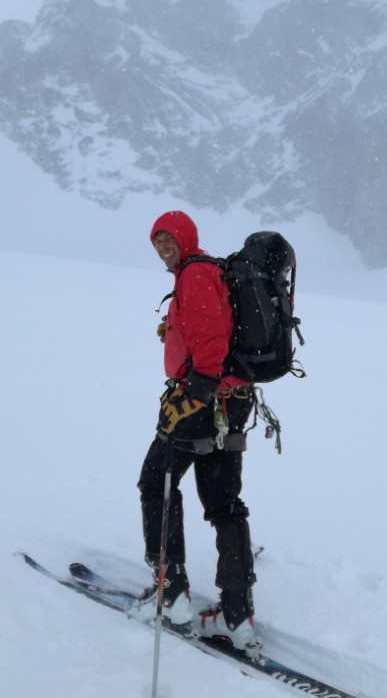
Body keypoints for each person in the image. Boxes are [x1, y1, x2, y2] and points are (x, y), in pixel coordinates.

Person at [137, 210, 258, 650]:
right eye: (158, 240)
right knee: (224, 503)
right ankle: (237, 611)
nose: (163, 245)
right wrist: (174, 332)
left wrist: (198, 387)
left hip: (203, 401)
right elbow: (212, 328)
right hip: (234, 401)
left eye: (170, 237)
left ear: (187, 238)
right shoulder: (210, 272)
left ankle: (172, 594)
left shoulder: (194, 274)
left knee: (156, 484)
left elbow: (210, 337)